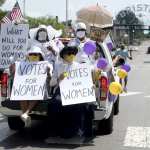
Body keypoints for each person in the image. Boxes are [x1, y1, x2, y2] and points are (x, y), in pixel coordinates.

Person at [47, 46, 99, 138]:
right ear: (63, 55)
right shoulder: (58, 66)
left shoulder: (78, 66)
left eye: (73, 54)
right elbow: (51, 84)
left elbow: (90, 75)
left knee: (84, 106)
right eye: (69, 54)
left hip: (76, 92)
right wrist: (59, 78)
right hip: (61, 91)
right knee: (55, 104)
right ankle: (59, 130)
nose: (71, 56)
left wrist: (92, 84)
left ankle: (79, 129)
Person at [10, 46, 53, 126]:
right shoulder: (22, 65)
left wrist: (48, 72)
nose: (33, 56)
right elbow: (13, 75)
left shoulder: (47, 65)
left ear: (40, 56)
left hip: (40, 91)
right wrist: (13, 70)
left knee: (36, 91)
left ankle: (26, 113)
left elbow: (50, 78)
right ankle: (25, 116)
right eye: (31, 54)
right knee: (22, 94)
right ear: (28, 55)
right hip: (26, 90)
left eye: (36, 54)